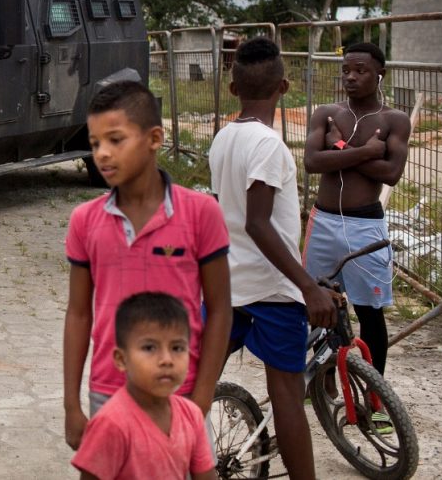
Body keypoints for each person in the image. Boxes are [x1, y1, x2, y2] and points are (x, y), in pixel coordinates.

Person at [63, 80, 232, 451]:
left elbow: (219, 310)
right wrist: (71, 404)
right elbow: (78, 314)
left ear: (154, 138)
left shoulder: (201, 214)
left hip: (181, 393)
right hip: (108, 391)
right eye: (94, 144)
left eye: (116, 140)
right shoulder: (84, 221)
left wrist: (201, 400)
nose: (102, 154)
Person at [209, 36, 341, 480]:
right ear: (284, 87)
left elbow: (224, 211)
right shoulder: (268, 145)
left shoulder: (224, 137)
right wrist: (307, 286)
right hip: (272, 291)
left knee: (198, 382)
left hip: (230, 285)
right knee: (286, 394)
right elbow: (257, 223)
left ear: (233, 90)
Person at [303, 42, 411, 380]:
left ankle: (375, 393)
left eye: (360, 70)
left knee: (369, 312)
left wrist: (340, 148)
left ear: (380, 74)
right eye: (346, 70)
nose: (351, 77)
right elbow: (311, 162)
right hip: (323, 223)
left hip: (365, 227)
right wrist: (364, 152)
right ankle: (324, 384)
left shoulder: (394, 120)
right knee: (320, 306)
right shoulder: (327, 113)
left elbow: (392, 173)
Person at [71, 292, 217, 480]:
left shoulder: (192, 415)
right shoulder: (111, 425)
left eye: (177, 348)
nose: (167, 360)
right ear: (121, 359)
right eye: (149, 348)